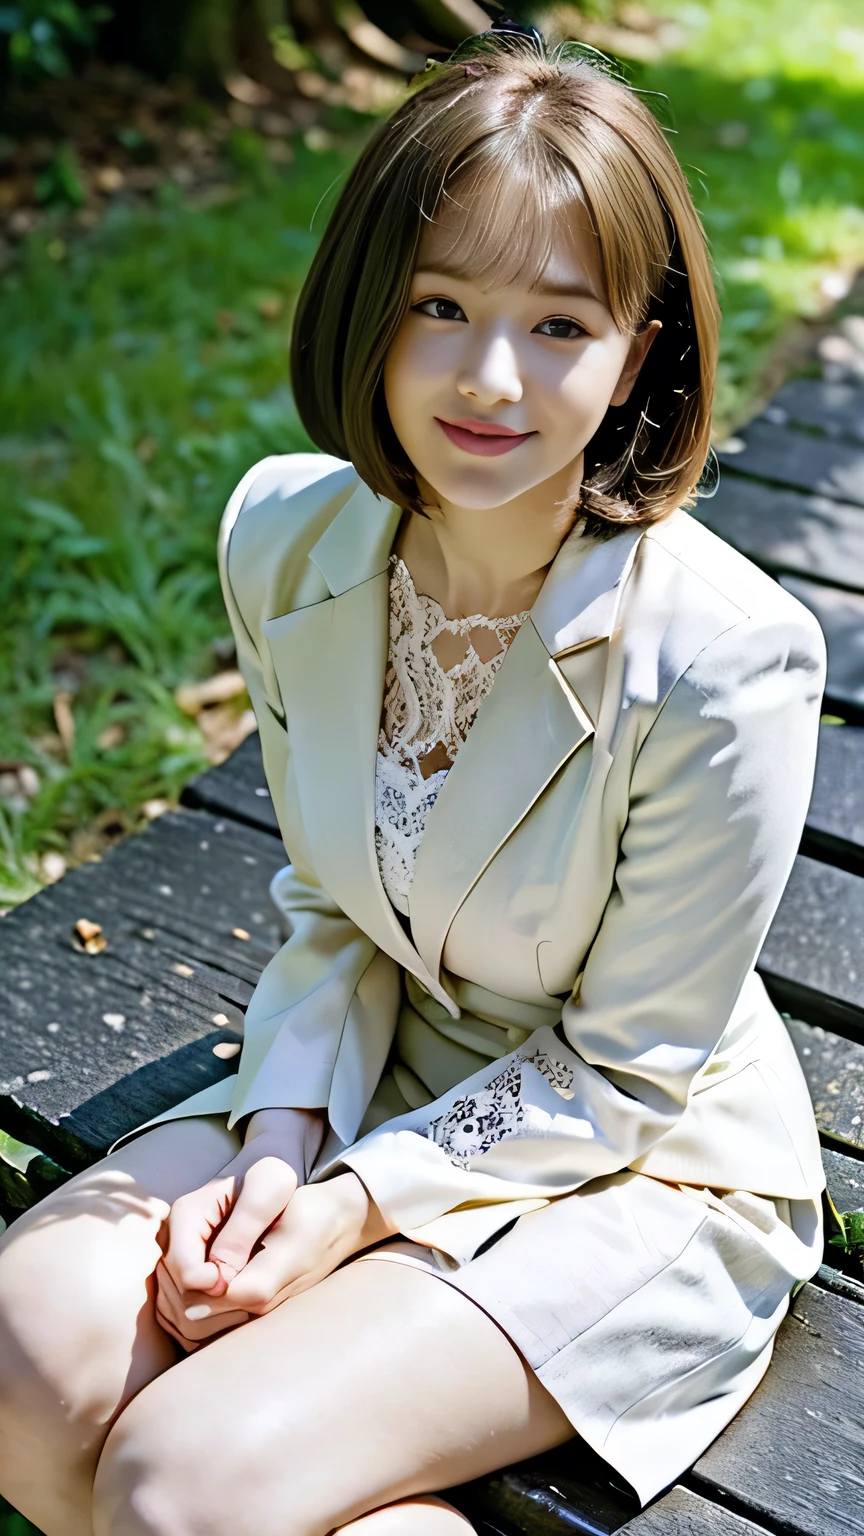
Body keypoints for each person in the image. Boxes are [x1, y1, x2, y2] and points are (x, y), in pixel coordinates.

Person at [0, 23, 827, 1536]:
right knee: (26, 1358)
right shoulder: (288, 535)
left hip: (638, 1166)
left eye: (561, 325)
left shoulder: (726, 658)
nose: (491, 378)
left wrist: (348, 1210)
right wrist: (282, 1140)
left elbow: (629, 1070)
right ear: (370, 308)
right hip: (380, 1058)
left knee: (186, 1480)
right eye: (441, 303)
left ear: (642, 347)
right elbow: (330, 900)